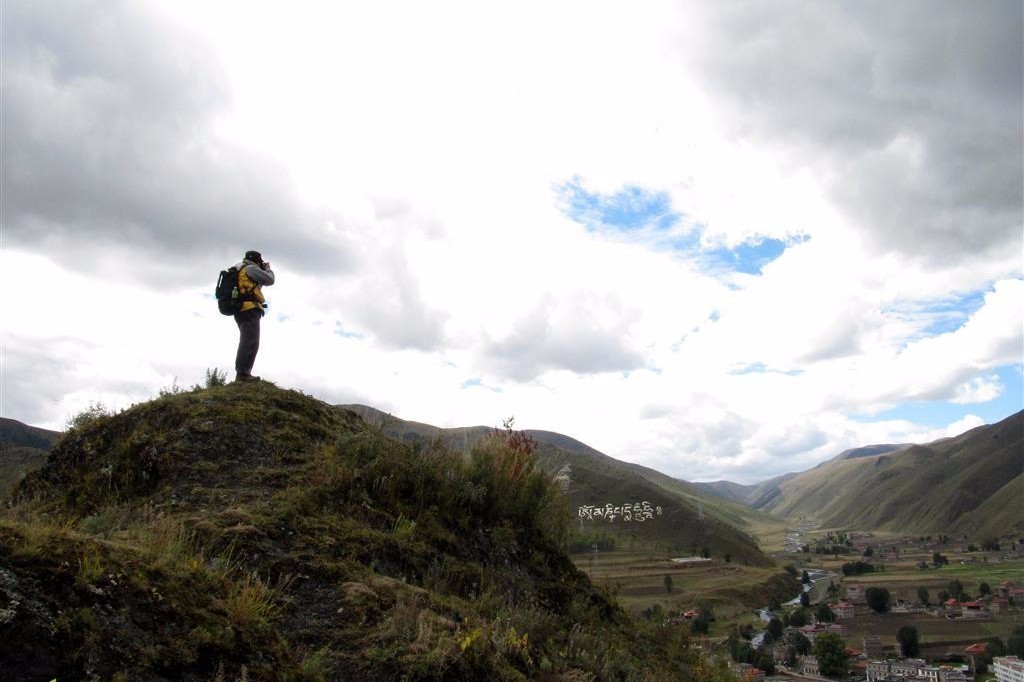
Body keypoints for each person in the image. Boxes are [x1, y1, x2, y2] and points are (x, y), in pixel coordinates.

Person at [233, 250, 275, 382]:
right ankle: (243, 374)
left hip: (240, 308)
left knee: (247, 340)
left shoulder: (239, 268)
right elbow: (270, 280)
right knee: (250, 341)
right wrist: (268, 269)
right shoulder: (250, 268)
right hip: (249, 308)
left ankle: (243, 373)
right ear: (257, 260)